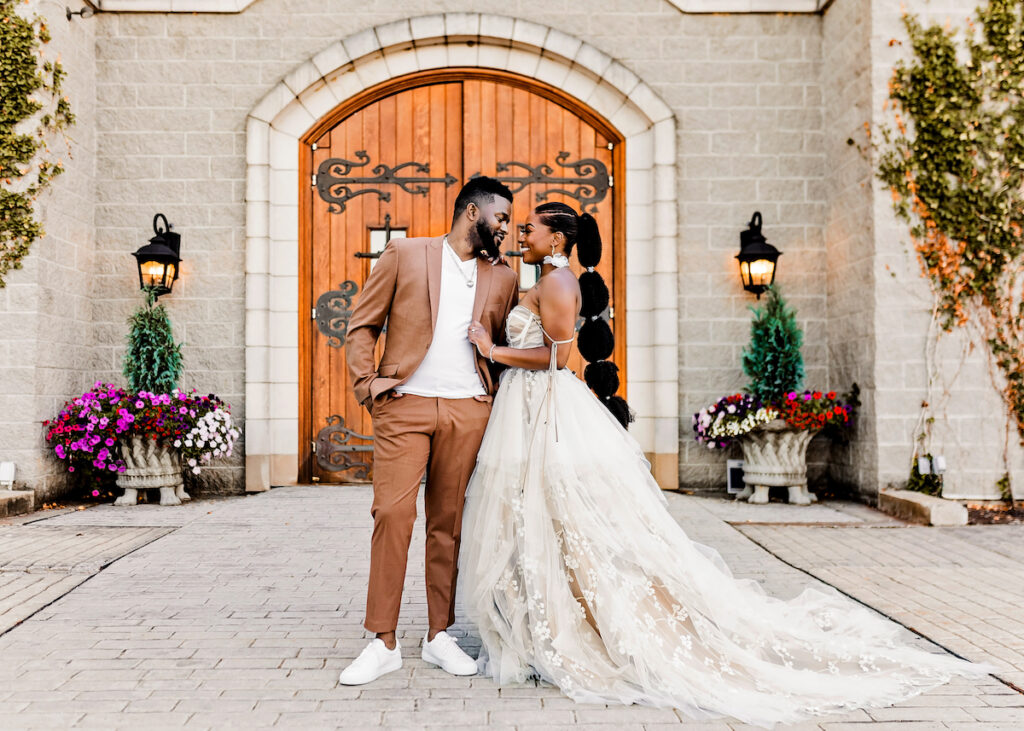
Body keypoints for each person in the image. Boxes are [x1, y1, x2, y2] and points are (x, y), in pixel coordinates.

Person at [461, 201, 992, 727]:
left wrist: (492, 349)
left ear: (557, 240)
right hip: (526, 410)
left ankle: (576, 629)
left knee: (565, 519)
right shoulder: (542, 279)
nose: (521, 233)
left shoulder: (558, 284)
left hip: (547, 408)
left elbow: (559, 357)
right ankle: (542, 626)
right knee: (539, 520)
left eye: (529, 228)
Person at [339, 177, 519, 686]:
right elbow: (362, 326)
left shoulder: (502, 278)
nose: (505, 229)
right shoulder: (405, 253)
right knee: (393, 513)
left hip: (468, 410)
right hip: (405, 403)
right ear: (471, 213)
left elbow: (504, 343)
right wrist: (369, 385)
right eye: (500, 218)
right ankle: (382, 642)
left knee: (449, 522)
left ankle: (439, 634)